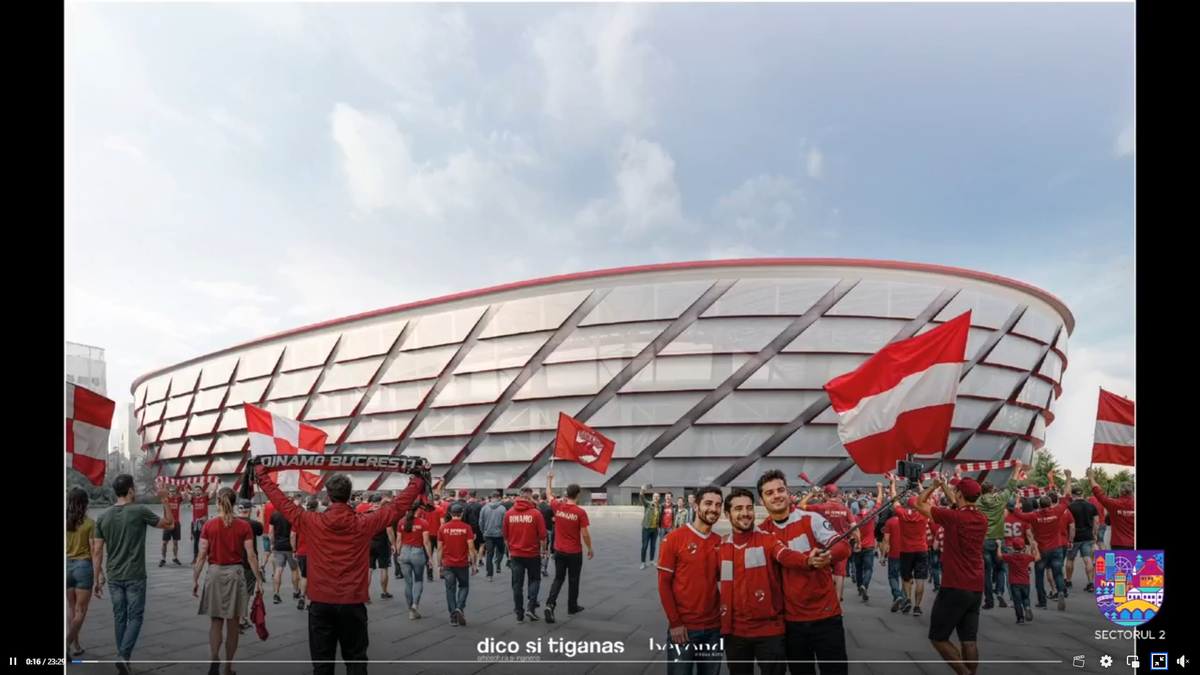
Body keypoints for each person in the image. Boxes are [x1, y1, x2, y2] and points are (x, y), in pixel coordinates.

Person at [255, 466, 424, 675]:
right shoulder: (365, 522)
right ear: (350, 496)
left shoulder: (311, 521)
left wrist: (262, 476)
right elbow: (397, 507)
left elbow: (282, 502)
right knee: (356, 663)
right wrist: (417, 482)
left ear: (328, 495)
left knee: (322, 665)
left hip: (321, 601)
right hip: (352, 601)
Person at [756, 469, 849, 675]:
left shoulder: (811, 518)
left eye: (780, 490)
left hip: (826, 617)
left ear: (788, 492)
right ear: (762, 501)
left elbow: (843, 546)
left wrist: (829, 555)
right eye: (769, 493)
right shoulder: (761, 532)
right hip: (790, 623)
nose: (776, 495)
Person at [721, 487, 822, 675]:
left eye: (749, 508)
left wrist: (808, 560)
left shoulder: (768, 540)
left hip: (769, 632)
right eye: (738, 509)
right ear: (727, 514)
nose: (745, 513)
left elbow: (786, 555)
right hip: (734, 633)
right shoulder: (721, 547)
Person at [94, 475, 176, 674]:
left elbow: (97, 552)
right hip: (135, 575)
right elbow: (169, 524)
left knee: (119, 617)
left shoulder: (103, 516)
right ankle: (123, 656)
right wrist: (164, 499)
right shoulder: (139, 511)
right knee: (136, 617)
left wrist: (96, 578)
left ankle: (123, 657)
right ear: (130, 490)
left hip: (114, 575)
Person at [914, 477, 987, 675]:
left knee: (938, 637)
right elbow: (959, 504)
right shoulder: (981, 518)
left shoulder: (952, 517)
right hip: (976, 585)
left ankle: (964, 673)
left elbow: (919, 504)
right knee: (969, 639)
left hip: (955, 584)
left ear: (960, 494)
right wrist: (946, 487)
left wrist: (933, 486)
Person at [193, 488, 264, 675]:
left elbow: (202, 555)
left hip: (215, 573)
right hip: (235, 574)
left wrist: (195, 579)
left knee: (215, 623)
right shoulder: (244, 526)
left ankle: (214, 657)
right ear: (233, 503)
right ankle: (227, 667)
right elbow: (251, 556)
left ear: (218, 502)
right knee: (233, 625)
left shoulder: (209, 525)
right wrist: (259, 579)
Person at [658, 485, 722, 675]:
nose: (713, 509)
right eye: (708, 503)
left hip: (714, 628)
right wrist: (675, 623)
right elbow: (663, 584)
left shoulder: (720, 542)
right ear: (695, 506)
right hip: (684, 628)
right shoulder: (673, 539)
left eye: (718, 505)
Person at [798, 484, 857, 602]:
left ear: (826, 495)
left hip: (824, 545)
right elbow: (854, 527)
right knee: (839, 575)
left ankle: (826, 600)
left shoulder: (820, 507)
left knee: (824, 573)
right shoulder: (845, 509)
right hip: (841, 545)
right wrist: (858, 542)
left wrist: (812, 493)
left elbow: (800, 506)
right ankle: (837, 601)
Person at [544, 482, 592, 623]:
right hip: (574, 552)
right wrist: (590, 548)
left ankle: (550, 604)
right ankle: (572, 606)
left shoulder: (558, 507)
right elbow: (585, 534)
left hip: (559, 550)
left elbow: (548, 494)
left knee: (558, 578)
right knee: (573, 579)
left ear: (567, 493)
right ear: (578, 495)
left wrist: (549, 480)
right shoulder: (580, 512)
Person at [1013, 493, 1069, 611]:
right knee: (1058, 573)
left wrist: (1018, 500)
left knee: (1039, 576)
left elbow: (1017, 514)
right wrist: (1067, 482)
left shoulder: (1034, 516)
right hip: (1056, 548)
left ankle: (1042, 601)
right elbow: (1066, 499)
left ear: (1039, 505)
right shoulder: (1057, 512)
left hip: (1042, 550)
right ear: (1050, 504)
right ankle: (1060, 591)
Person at [502, 487, 547, 622]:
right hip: (532, 553)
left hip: (516, 554)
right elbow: (542, 535)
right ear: (529, 498)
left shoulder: (509, 514)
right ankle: (531, 607)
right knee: (535, 579)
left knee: (517, 584)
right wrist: (544, 550)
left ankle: (519, 613)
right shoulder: (536, 514)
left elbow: (505, 536)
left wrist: (510, 550)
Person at [66, 487, 100, 657]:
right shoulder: (90, 523)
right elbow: (94, 550)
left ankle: (76, 645)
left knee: (71, 607)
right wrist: (99, 574)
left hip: (66, 566)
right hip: (83, 566)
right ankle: (67, 643)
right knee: (81, 610)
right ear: (85, 503)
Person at [891, 480, 931, 617]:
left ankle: (907, 598)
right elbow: (927, 498)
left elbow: (894, 500)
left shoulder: (902, 513)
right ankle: (917, 606)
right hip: (921, 549)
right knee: (920, 580)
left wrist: (892, 484)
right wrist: (920, 487)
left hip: (906, 550)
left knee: (906, 577)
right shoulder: (923, 514)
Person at [975, 479, 1016, 610]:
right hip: (999, 540)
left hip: (984, 540)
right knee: (1000, 568)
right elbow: (1010, 487)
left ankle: (989, 600)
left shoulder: (978, 503)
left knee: (986, 572)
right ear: (992, 490)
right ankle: (999, 592)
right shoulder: (1000, 500)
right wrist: (1016, 470)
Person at [438, 503, 478, 626]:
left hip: (448, 563)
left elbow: (440, 548)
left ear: (450, 514)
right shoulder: (467, 528)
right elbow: (471, 547)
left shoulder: (443, 528)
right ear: (462, 514)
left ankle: (453, 616)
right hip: (462, 563)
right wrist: (474, 564)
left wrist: (439, 564)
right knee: (464, 586)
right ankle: (460, 607)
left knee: (450, 589)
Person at [396, 504, 433, 619]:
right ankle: (415, 604)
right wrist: (430, 557)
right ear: (418, 510)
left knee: (408, 582)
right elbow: (426, 541)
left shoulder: (401, 522)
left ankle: (409, 608)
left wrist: (398, 553)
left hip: (404, 551)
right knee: (418, 580)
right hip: (417, 552)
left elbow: (398, 540)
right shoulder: (423, 522)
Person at [235, 499, 266, 629]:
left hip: (233, 561)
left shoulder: (232, 522)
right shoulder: (252, 524)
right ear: (249, 510)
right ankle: (242, 619)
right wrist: (262, 513)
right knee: (246, 591)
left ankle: (235, 617)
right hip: (247, 563)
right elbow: (261, 529)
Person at [1087, 469, 1134, 549]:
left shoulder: (1115, 504)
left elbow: (1098, 494)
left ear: (1120, 492)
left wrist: (1091, 477)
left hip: (1119, 543)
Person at [1064, 486, 1099, 592]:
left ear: (1073, 495)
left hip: (1073, 536)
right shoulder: (1091, 505)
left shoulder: (1070, 506)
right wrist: (1095, 533)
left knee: (1070, 558)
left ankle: (1068, 580)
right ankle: (1090, 583)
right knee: (1088, 558)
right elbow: (1096, 521)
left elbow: (1066, 522)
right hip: (1087, 535)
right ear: (1082, 494)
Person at [998, 538, 1039, 625]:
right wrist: (1036, 547)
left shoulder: (1010, 556)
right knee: (1026, 597)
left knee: (1017, 601)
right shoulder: (1027, 556)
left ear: (1013, 547)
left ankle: (1020, 618)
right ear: (1023, 547)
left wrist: (999, 546)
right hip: (1025, 582)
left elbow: (999, 556)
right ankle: (1027, 607)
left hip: (1014, 583)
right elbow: (1037, 558)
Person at [363, 495, 396, 600]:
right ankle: (384, 592)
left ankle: (366, 595)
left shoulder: (366, 513)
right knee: (384, 568)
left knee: (369, 569)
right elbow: (390, 531)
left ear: (371, 502)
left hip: (370, 543)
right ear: (380, 502)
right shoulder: (384, 514)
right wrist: (393, 544)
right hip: (382, 543)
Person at [269, 498, 301, 605]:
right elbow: (294, 533)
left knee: (278, 570)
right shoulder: (293, 515)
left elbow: (271, 531)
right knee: (294, 569)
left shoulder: (275, 514)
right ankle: (295, 592)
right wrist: (295, 548)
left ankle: (276, 594)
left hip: (278, 545)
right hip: (291, 546)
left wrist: (272, 543)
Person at [851, 491, 880, 602]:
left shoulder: (854, 518)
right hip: (869, 546)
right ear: (866, 506)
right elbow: (878, 503)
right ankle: (865, 584)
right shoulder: (870, 515)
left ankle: (859, 587)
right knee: (868, 568)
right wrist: (879, 489)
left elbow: (852, 531)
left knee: (858, 568)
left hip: (858, 546)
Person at [289, 499, 317, 612]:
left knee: (304, 575)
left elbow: (292, 535)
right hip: (316, 552)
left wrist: (294, 549)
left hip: (302, 551)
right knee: (314, 577)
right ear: (316, 508)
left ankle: (302, 597)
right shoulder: (319, 519)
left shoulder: (300, 519)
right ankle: (311, 601)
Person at [881, 509, 906, 611]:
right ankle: (904, 598)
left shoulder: (890, 522)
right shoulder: (908, 519)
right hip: (907, 553)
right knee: (906, 577)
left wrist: (883, 555)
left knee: (892, 576)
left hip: (894, 553)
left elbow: (886, 540)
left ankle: (897, 595)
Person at [480, 491, 507, 581]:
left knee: (489, 554)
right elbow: (505, 523)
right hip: (500, 534)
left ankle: (489, 574)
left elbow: (481, 522)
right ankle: (498, 562)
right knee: (501, 550)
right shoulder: (502, 508)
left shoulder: (484, 508)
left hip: (488, 534)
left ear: (491, 497)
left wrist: (483, 532)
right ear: (499, 498)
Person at [190, 482, 217, 564]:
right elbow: (186, 494)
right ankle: (195, 558)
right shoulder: (193, 499)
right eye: (196, 490)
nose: (197, 491)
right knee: (195, 542)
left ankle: (210, 557)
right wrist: (183, 484)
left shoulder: (205, 498)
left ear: (201, 491)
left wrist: (216, 484)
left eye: (198, 490)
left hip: (204, 524)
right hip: (195, 524)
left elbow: (212, 492)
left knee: (207, 541)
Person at [160, 482, 184, 567]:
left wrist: (183, 484)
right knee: (164, 543)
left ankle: (175, 557)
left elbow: (184, 494)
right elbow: (161, 494)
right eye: (171, 491)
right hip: (167, 523)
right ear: (168, 492)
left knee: (175, 542)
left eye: (174, 491)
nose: (172, 493)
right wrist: (161, 484)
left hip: (176, 523)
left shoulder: (178, 499)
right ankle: (163, 559)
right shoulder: (166, 500)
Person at [639, 486, 662, 570]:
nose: (656, 497)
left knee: (653, 546)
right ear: (652, 497)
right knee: (644, 545)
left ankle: (652, 560)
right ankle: (643, 562)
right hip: (646, 528)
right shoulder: (648, 504)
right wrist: (642, 491)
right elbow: (642, 499)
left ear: (659, 498)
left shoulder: (659, 507)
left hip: (655, 529)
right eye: (654, 496)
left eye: (657, 496)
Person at [535, 491, 555, 578]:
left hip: (536, 530)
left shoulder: (536, 507)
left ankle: (537, 566)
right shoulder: (550, 508)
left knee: (536, 548)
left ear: (540, 497)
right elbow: (553, 520)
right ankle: (544, 567)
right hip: (548, 529)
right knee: (546, 549)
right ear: (547, 498)